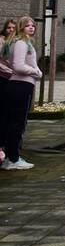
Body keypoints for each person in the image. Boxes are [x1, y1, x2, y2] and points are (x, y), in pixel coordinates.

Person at [2, 17, 42, 170]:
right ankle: (13, 158)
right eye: (27, 26)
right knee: (17, 123)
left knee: (15, 122)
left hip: (20, 85)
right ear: (21, 28)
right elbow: (18, 66)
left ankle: (11, 156)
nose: (31, 28)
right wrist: (36, 72)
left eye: (33, 25)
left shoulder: (22, 42)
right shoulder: (21, 43)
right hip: (21, 85)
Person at [0, 18, 16, 163]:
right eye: (9, 28)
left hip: (13, 79)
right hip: (3, 78)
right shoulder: (2, 41)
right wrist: (12, 72)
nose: (11, 30)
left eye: (13, 28)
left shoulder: (16, 42)